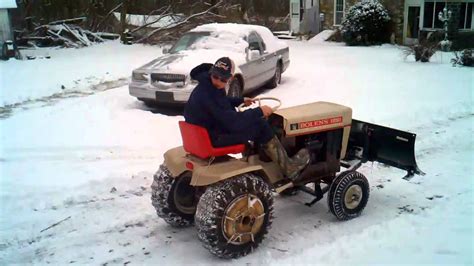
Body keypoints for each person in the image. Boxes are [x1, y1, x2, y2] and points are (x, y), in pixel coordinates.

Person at [184, 57, 309, 180]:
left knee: (251, 123)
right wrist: (259, 111)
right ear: (211, 72)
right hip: (214, 136)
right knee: (261, 126)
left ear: (230, 78)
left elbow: (219, 103)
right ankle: (289, 168)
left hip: (207, 131)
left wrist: (240, 100)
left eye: (223, 79)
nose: (218, 81)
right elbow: (233, 122)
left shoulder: (207, 86)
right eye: (215, 76)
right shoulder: (209, 92)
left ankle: (253, 160)